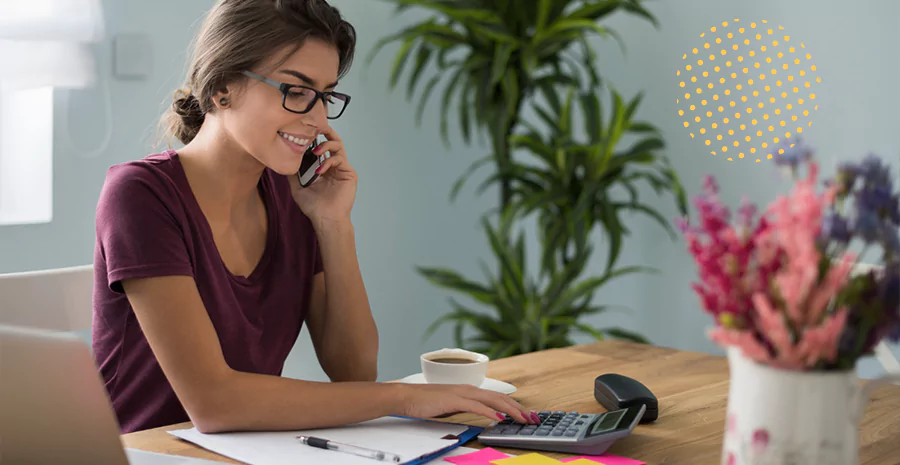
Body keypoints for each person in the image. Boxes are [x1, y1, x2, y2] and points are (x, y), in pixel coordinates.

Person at [91, 0, 539, 435]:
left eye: (325, 96)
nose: (317, 118)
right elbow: (213, 403)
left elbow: (354, 371)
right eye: (297, 91)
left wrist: (332, 222)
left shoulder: (296, 198)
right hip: (138, 453)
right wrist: (403, 397)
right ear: (222, 87)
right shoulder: (141, 196)